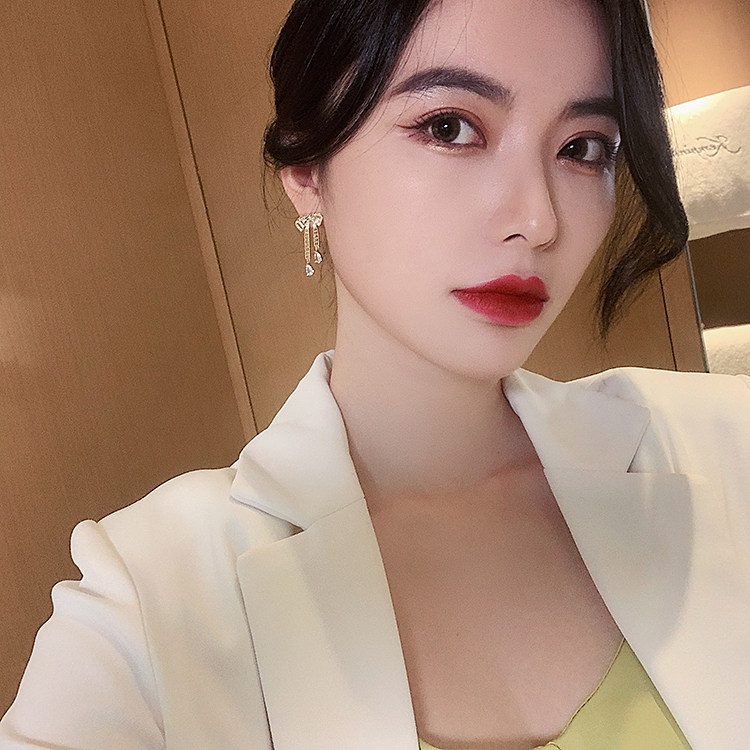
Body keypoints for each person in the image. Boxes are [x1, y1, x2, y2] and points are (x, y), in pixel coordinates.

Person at [2, 0, 749, 748]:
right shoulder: (152, 596)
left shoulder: (724, 445)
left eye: (584, 148)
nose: (538, 219)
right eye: (449, 127)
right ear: (306, 166)